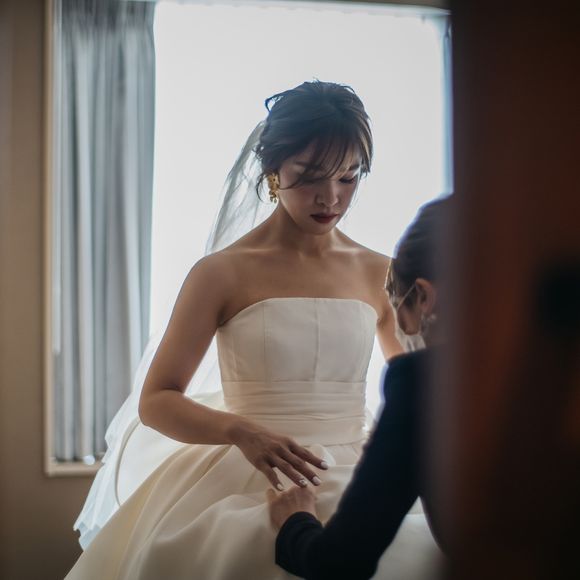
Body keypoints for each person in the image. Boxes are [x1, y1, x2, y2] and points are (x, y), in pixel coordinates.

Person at [66, 81, 434, 580]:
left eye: (348, 177)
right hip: (249, 470)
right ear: (272, 172)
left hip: (356, 469)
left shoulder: (378, 272)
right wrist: (241, 431)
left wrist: (389, 446)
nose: (331, 197)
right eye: (310, 176)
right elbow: (156, 400)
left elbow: (417, 389)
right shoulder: (221, 273)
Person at [267, 197, 450, 579]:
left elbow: (338, 564)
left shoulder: (422, 383)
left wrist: (296, 520)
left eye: (398, 307)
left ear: (424, 297)